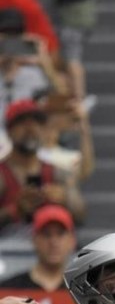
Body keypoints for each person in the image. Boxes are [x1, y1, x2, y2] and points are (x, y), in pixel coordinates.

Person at [0, 98, 84, 233]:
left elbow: (81, 215)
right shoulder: (2, 174)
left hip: (52, 249)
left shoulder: (58, 172)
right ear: (9, 130)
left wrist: (65, 199)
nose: (30, 128)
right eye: (22, 123)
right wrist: (15, 210)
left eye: (37, 123)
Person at [0, 203, 76, 290]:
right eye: (46, 234)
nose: (53, 242)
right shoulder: (10, 289)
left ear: (72, 240)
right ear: (34, 240)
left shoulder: (83, 291)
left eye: (60, 234)